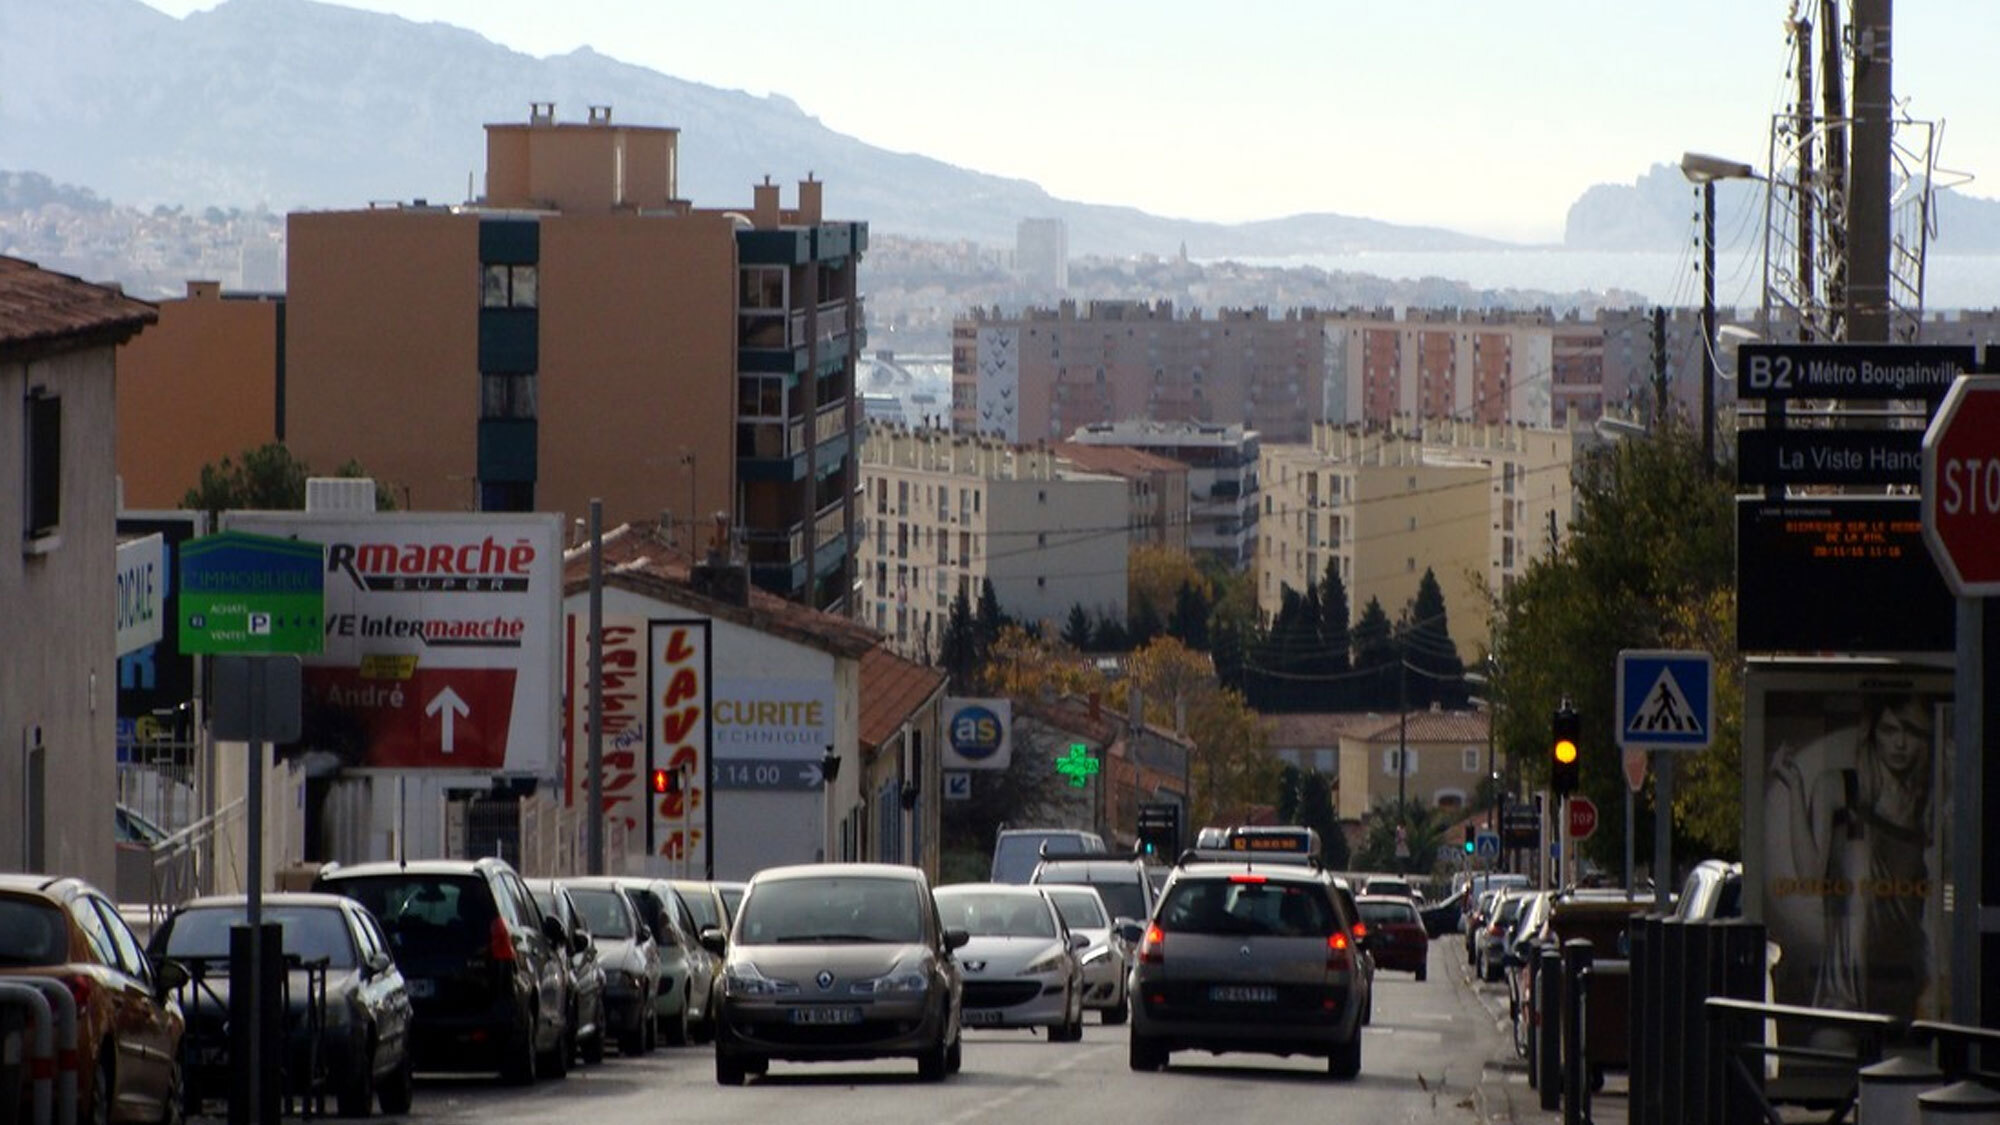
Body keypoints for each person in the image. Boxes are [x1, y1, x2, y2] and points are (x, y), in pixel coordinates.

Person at [1765, 694, 1934, 1021]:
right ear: (1872, 734)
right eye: (1888, 730)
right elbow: (1810, 878)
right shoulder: (1839, 788)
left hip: (1911, 989)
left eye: (1910, 732)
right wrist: (1795, 787)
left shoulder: (1926, 805)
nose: (1899, 743)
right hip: (1843, 995)